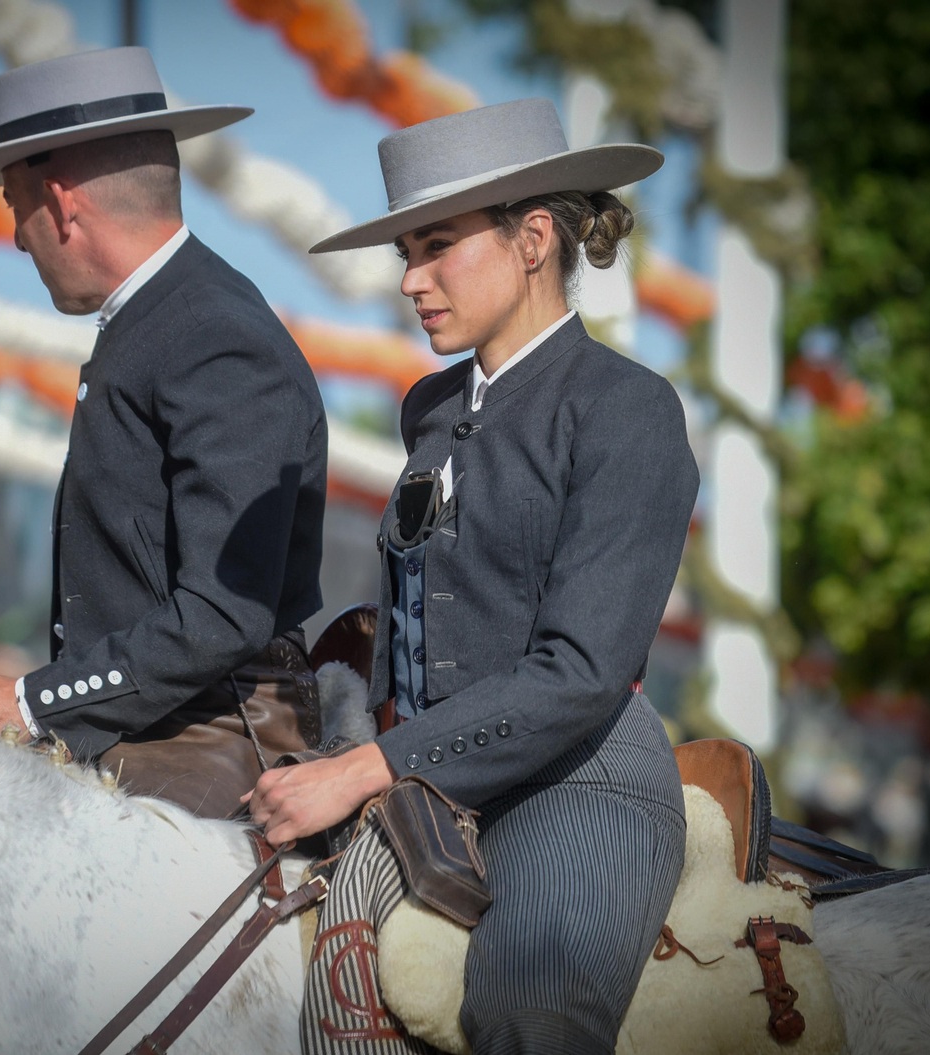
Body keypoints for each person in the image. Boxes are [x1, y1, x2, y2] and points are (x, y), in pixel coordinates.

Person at [245, 99, 699, 1055]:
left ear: (533, 238)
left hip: (575, 775)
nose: (411, 281)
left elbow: (580, 672)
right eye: (405, 252)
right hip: (414, 767)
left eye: (436, 247)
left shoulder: (630, 410)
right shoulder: (428, 408)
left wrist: (362, 770)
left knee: (528, 1022)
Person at [0, 48, 328, 820]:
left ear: (62, 203)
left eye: (14, 205)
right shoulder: (167, 321)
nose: (15, 238)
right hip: (154, 725)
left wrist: (35, 701)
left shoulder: (211, 333)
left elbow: (221, 615)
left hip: (218, 732)